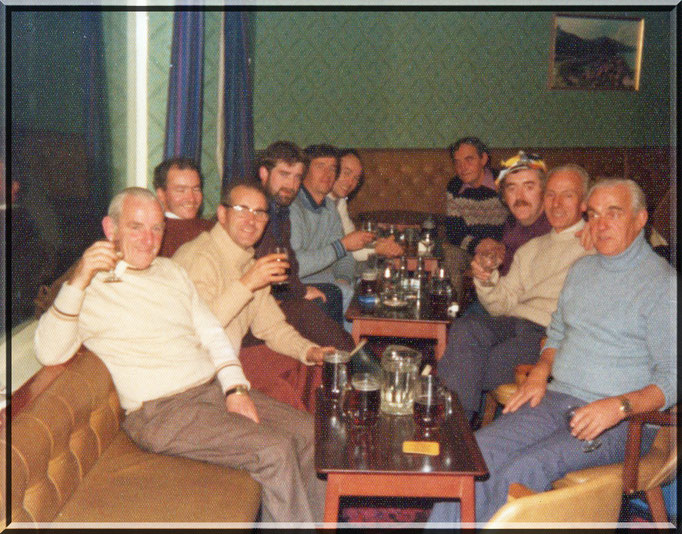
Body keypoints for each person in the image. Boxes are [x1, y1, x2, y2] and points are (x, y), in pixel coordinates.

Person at [34, 187, 325, 523]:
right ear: (111, 229)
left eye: (157, 228)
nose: (148, 239)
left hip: (211, 390)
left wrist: (235, 388)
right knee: (274, 452)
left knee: (308, 433)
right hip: (161, 412)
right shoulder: (89, 286)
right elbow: (49, 350)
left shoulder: (171, 272)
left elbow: (212, 334)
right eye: (136, 227)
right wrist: (79, 280)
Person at [430, 178, 676, 524]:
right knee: (474, 453)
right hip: (559, 400)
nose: (601, 224)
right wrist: (541, 371)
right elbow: (557, 331)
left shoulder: (662, 285)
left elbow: (673, 378)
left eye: (614, 214)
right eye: (594, 214)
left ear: (640, 219)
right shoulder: (582, 270)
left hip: (623, 421)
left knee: (525, 468)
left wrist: (618, 407)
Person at [436, 165, 593, 423]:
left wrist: (594, 224)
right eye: (551, 194)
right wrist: (486, 280)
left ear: (585, 202)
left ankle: (451, 427)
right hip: (513, 322)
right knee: (466, 327)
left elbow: (634, 229)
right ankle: (455, 428)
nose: (556, 203)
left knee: (467, 366)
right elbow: (500, 305)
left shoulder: (596, 242)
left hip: (548, 335)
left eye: (568, 195)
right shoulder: (531, 249)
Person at [173, 182, 337, 413]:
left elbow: (272, 328)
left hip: (229, 365)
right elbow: (197, 330)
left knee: (313, 370)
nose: (251, 220)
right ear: (222, 214)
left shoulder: (249, 263)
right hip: (197, 377)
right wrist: (248, 282)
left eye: (259, 212)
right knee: (285, 391)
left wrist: (311, 351)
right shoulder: (200, 258)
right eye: (242, 210)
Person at [252, 140, 352, 332]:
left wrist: (343, 277)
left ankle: (345, 356)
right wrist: (299, 290)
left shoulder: (280, 211)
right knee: (331, 295)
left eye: (297, 177)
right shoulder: (260, 210)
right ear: (264, 173)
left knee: (338, 293)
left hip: (278, 289)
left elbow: (287, 262)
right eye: (284, 174)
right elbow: (280, 265)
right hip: (261, 297)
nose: (291, 184)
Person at [289, 144, 374, 324]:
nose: (328, 174)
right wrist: (341, 246)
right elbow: (295, 266)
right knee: (345, 293)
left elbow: (345, 255)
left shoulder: (329, 208)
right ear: (305, 170)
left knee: (360, 288)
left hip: (329, 281)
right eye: (320, 166)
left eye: (333, 168)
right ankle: (347, 349)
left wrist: (343, 278)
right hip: (295, 285)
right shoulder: (293, 207)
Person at [442, 137, 509, 300]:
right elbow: (453, 232)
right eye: (457, 162)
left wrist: (500, 245)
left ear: (484, 159)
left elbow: (518, 222)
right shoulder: (455, 186)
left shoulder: (504, 182)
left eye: (469, 160)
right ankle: (452, 310)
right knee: (450, 253)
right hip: (472, 250)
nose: (462, 168)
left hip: (503, 248)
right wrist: (478, 245)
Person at [327, 148, 403, 262]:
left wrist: (378, 243)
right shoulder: (320, 201)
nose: (350, 182)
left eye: (356, 178)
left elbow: (350, 235)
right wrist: (377, 250)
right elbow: (341, 251)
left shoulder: (339, 200)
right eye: (346, 173)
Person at [153, 157, 213, 257]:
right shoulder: (158, 235)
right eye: (181, 190)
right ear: (161, 195)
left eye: (196, 189)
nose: (191, 198)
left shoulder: (212, 228)